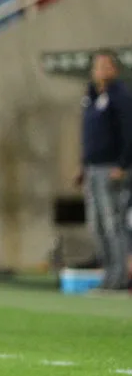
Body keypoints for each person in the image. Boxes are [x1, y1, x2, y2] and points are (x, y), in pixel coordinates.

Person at [76, 50, 132, 290]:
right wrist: (82, 165)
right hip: (93, 169)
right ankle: (109, 273)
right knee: (97, 225)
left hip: (112, 169)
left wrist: (123, 164)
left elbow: (130, 132)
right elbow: (89, 136)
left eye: (106, 66)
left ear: (115, 70)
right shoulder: (91, 96)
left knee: (114, 224)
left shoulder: (121, 96)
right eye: (98, 66)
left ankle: (120, 277)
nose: (101, 70)